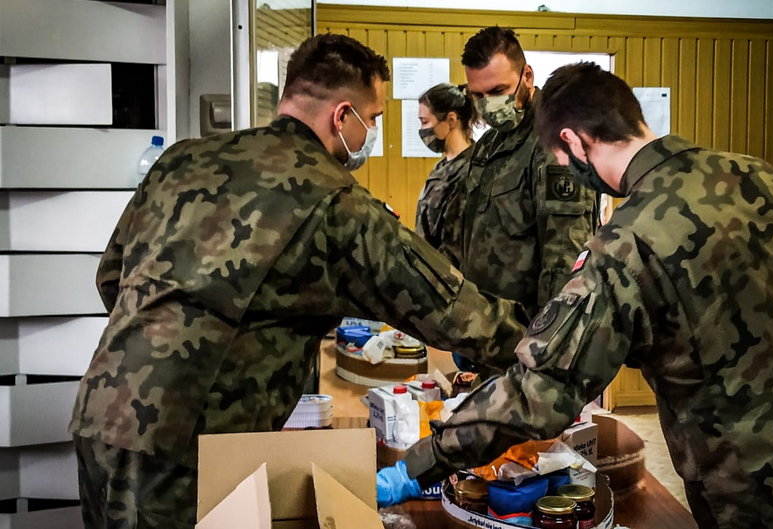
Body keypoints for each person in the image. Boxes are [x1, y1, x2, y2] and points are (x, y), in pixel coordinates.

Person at [378, 63, 773, 529]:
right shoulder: (765, 176)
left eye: (559, 159)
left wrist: (423, 461)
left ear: (572, 141)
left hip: (754, 485)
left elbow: (541, 391)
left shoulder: (628, 242)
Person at [70, 33, 528, 529]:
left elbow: (111, 278)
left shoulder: (183, 159)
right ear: (342, 116)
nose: (372, 131)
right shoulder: (333, 200)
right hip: (186, 447)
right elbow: (453, 311)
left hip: (100, 413)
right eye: (372, 119)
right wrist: (555, 351)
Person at [457, 26, 598, 318]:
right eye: (478, 96)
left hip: (524, 332)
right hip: (480, 322)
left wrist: (546, 340)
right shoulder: (488, 143)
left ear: (527, 77)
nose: (489, 105)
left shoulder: (555, 142)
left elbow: (564, 256)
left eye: (498, 91)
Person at [414, 82, 476, 267]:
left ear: (451, 119)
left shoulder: (469, 171)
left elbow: (454, 251)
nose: (422, 129)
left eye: (425, 121)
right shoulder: (442, 166)